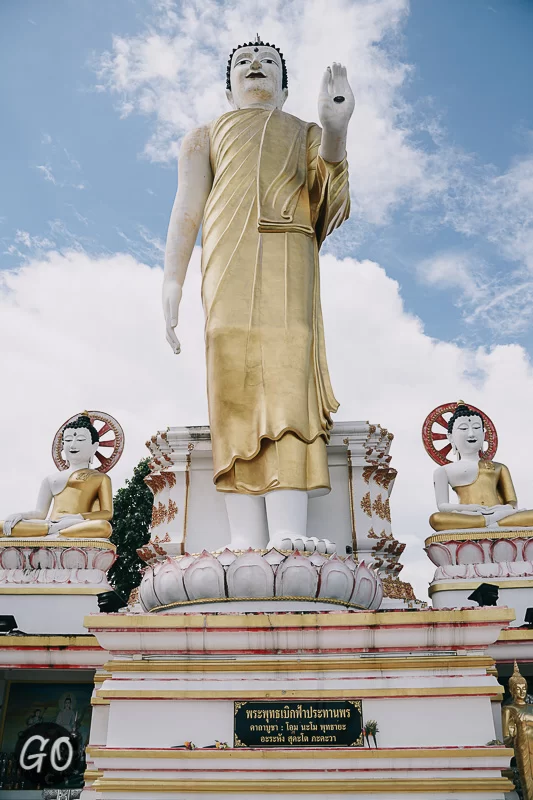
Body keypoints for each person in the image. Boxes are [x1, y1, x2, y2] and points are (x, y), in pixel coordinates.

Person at [162, 38, 353, 551]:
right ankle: (245, 535)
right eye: (244, 63)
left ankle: (290, 524)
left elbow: (327, 200)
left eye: (268, 62)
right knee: (231, 373)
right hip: (226, 253)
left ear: (285, 87)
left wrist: (335, 131)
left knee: (289, 371)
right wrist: (172, 280)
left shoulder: (306, 132)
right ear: (228, 87)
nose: (255, 67)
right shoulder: (204, 136)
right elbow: (187, 209)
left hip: (289, 251)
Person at [1, 414, 113, 539]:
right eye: (68, 440)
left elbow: (107, 513)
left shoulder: (101, 478)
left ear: (94, 446)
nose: (73, 444)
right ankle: (54, 531)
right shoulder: (50, 479)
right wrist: (21, 515)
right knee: (3, 526)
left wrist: (78, 517)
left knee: (104, 527)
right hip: (48, 524)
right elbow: (40, 513)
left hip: (77, 524)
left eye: (80, 440)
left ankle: (57, 533)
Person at [430, 403, 533, 531]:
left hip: (501, 513)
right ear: (450, 437)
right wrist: (472, 508)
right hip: (469, 515)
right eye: (463, 429)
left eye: (477, 428)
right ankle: (491, 523)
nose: (471, 434)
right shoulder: (443, 471)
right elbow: (442, 506)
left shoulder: (499, 467)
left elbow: (512, 503)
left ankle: (489, 522)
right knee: (436, 519)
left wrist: (502, 509)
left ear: (484, 435)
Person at [503, 662, 533, 800]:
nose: (521, 692)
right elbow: (506, 736)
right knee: (527, 779)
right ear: (511, 690)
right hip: (522, 746)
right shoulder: (509, 709)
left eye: (523, 688)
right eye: (518, 689)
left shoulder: (531, 707)